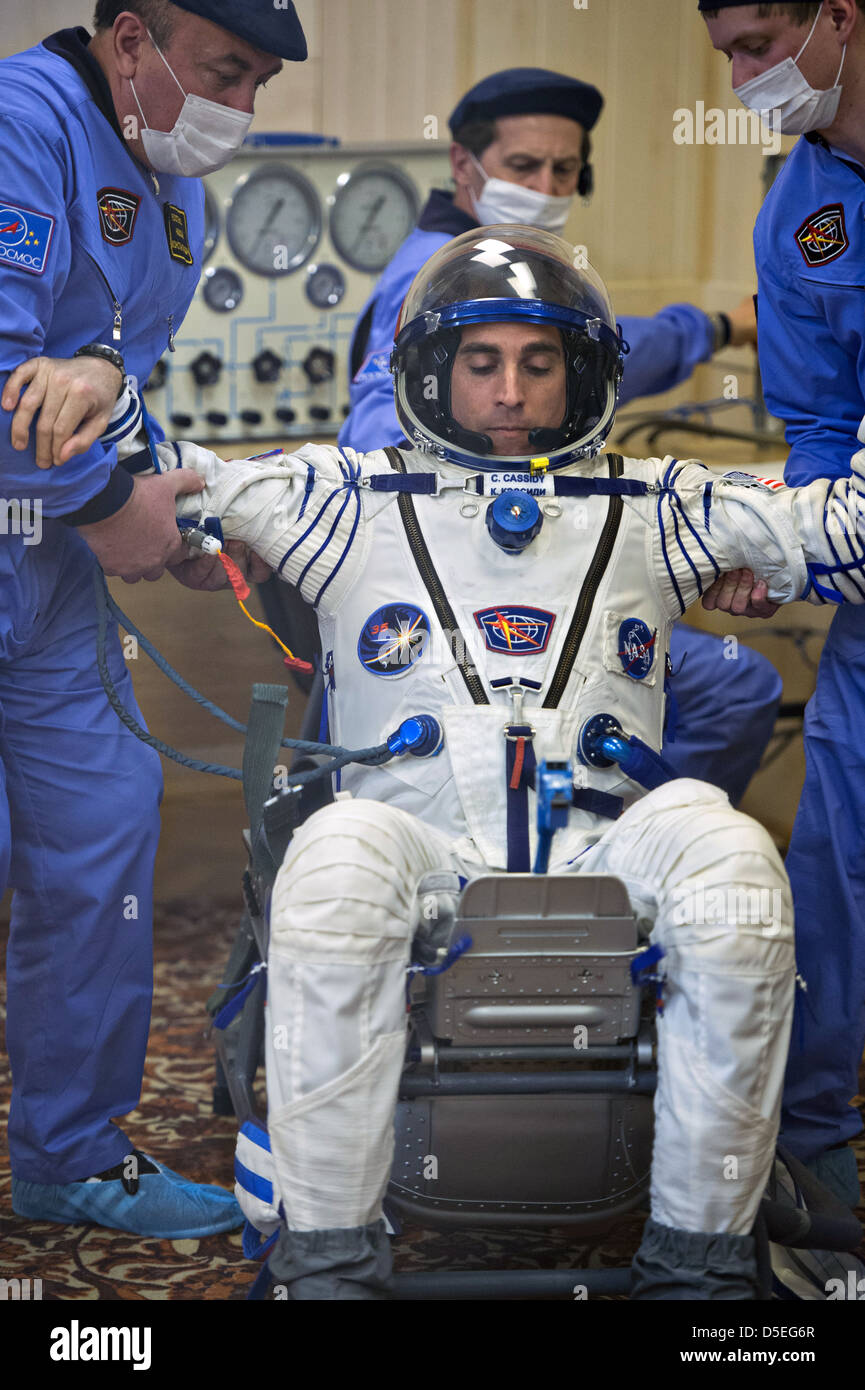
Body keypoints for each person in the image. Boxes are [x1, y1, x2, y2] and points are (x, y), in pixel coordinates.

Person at [124, 226, 865, 1298]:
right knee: (331, 865)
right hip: (415, 836)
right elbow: (166, 482)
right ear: (433, 370)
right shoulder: (344, 499)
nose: (510, 393)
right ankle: (328, 1259)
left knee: (737, 870)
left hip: (607, 838)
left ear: (582, 374)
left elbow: (835, 523)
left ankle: (696, 1263)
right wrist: (89, 380)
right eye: (482, 364)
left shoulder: (654, 505)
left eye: (538, 362)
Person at [262, 66, 783, 804]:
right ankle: (622, 846)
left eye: (562, 169)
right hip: (451, 596)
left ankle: (620, 838)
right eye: (522, 166)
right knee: (734, 685)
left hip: (516, 576)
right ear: (462, 166)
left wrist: (716, 326)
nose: (543, 184)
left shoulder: (514, 271)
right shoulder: (429, 283)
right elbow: (386, 455)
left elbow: (605, 353)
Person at [0, 0, 305, 1238]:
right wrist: (111, 506)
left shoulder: (165, 169)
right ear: (134, 42)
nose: (244, 105)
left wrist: (180, 499)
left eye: (262, 82)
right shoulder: (25, 127)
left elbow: (100, 381)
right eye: (227, 70)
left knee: (101, 836)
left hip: (49, 576)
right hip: (54, 528)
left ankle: (69, 1154)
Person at [700, 0, 865, 1210]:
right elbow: (814, 432)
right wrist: (793, 545)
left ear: (838, 20)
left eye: (760, 44)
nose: (743, 72)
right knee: (836, 869)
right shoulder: (794, 221)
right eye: (728, 55)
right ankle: (809, 1145)